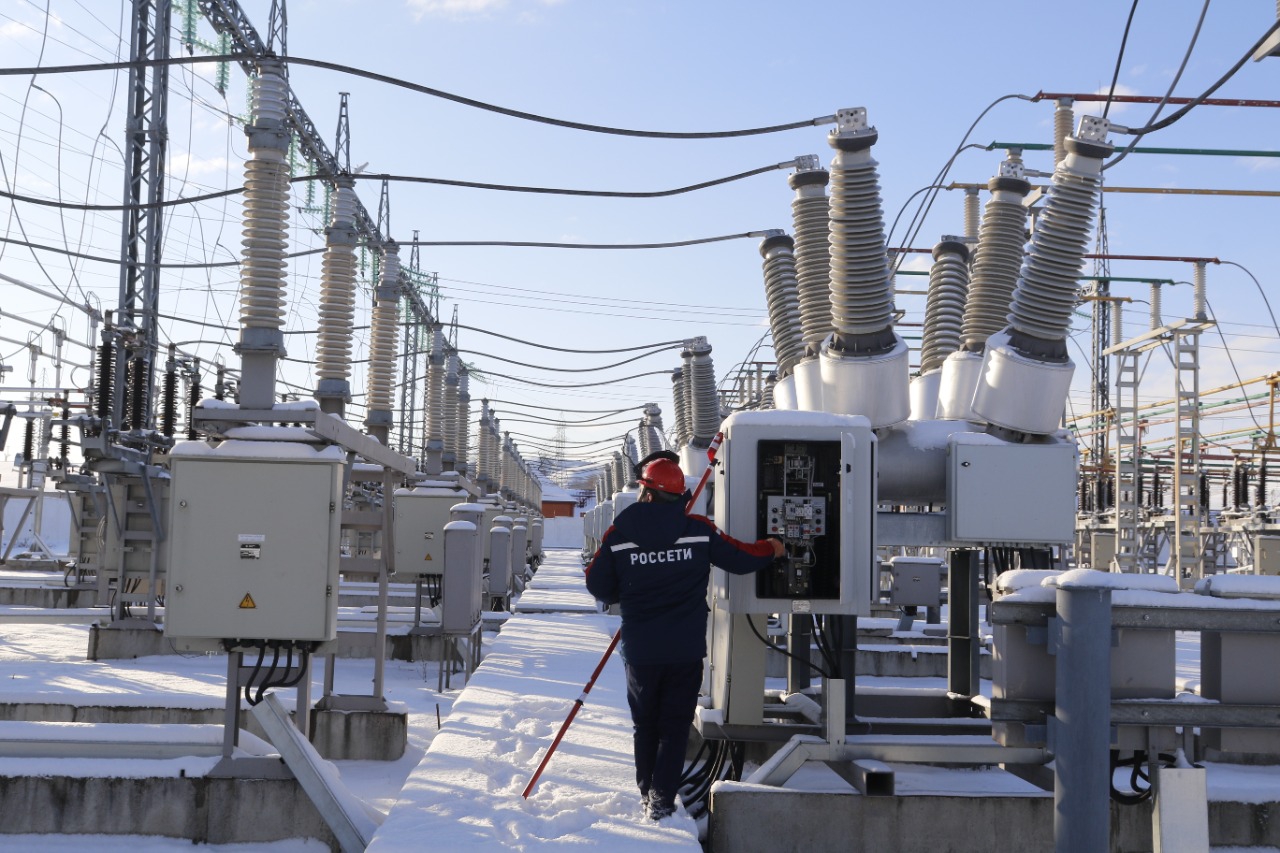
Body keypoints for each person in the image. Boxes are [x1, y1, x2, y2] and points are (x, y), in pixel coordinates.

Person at [584, 457, 784, 821]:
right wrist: (772, 548)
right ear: (679, 495)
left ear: (644, 491)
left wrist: (624, 593)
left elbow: (597, 584)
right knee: (674, 727)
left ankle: (648, 792)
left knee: (645, 724)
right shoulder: (697, 530)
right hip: (684, 648)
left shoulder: (620, 532)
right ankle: (661, 800)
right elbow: (740, 558)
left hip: (641, 650)